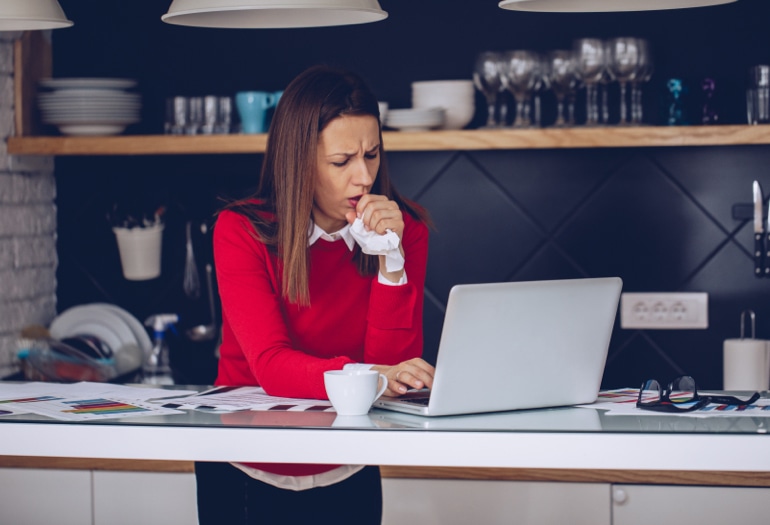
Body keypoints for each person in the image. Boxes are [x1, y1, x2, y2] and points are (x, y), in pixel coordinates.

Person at [195, 64, 435, 524]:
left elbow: (395, 376)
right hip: (246, 465)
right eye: (342, 161)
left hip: (349, 462)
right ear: (298, 160)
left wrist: (391, 263)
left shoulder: (406, 229)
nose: (364, 178)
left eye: (372, 154)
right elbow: (271, 365)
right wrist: (374, 376)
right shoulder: (241, 230)